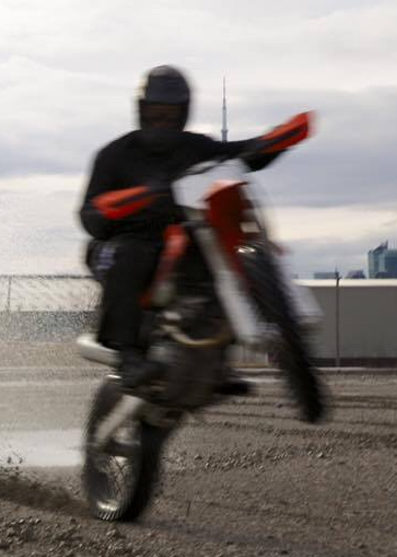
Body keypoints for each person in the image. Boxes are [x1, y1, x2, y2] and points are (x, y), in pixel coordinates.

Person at [78, 65, 270, 390]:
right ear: (141, 111)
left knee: (217, 255)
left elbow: (239, 154)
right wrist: (116, 209)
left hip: (178, 242)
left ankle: (216, 360)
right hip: (119, 244)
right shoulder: (114, 155)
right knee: (131, 254)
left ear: (183, 114)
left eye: (169, 114)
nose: (162, 121)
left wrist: (277, 140)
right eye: (155, 113)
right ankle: (128, 356)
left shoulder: (197, 148)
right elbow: (88, 215)